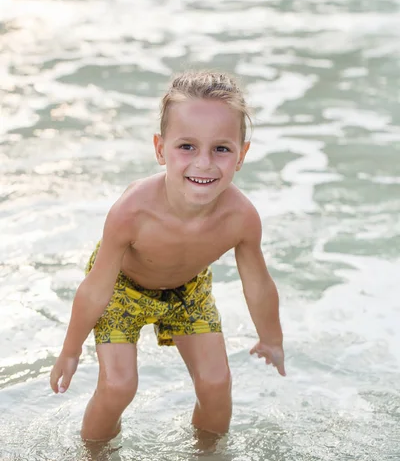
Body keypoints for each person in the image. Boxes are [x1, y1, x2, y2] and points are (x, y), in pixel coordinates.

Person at [50, 70, 285, 443]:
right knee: (119, 387)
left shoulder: (241, 218)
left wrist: (271, 338)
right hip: (120, 290)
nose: (204, 163)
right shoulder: (133, 211)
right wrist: (70, 350)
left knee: (216, 384)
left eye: (221, 149)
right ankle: (93, 452)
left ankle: (208, 451)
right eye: (186, 146)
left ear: (242, 155)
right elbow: (95, 287)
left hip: (187, 291)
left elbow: (257, 283)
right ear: (161, 149)